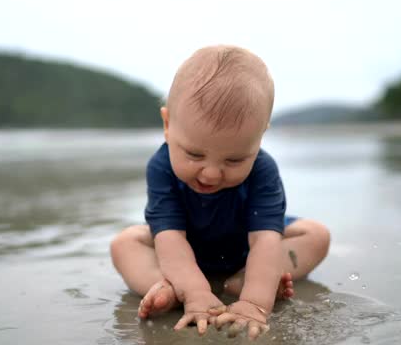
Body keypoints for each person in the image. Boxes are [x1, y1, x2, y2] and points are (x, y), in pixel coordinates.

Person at [110, 45, 330, 339]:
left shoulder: (263, 170)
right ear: (167, 125)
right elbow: (169, 237)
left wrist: (254, 301)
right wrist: (195, 293)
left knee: (316, 235)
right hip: (184, 246)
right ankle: (166, 285)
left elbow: (265, 240)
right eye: (194, 154)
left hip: (246, 251)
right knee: (124, 244)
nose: (211, 173)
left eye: (234, 160)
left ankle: (246, 281)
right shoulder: (161, 166)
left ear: (259, 137)